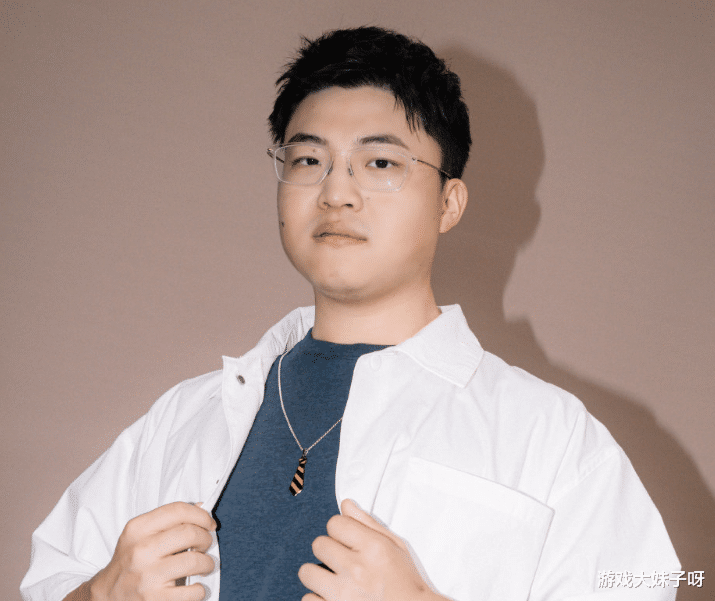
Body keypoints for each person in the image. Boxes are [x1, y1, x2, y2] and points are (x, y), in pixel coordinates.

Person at [21, 26, 679, 601]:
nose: (336, 191)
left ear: (449, 203)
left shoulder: (552, 437)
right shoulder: (182, 420)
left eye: (380, 161)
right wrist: (96, 596)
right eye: (308, 159)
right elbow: (51, 577)